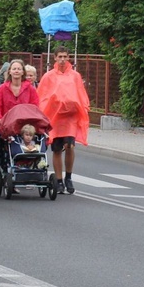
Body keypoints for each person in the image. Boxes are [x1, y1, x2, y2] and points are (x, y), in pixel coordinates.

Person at [37, 47, 90, 196]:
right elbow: (42, 96)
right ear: (54, 58)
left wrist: (83, 106)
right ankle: (58, 180)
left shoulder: (75, 76)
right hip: (55, 117)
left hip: (70, 117)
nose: (62, 59)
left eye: (65, 56)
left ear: (68, 58)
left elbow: (80, 92)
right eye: (60, 56)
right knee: (57, 149)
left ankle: (69, 177)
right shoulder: (48, 76)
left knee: (70, 146)